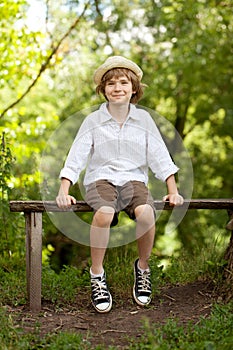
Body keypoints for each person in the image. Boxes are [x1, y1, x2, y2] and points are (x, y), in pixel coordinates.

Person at [56, 56, 184, 313]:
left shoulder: (145, 121)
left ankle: (143, 268)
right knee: (103, 214)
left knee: (147, 213)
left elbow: (159, 155)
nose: (117, 88)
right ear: (103, 90)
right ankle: (97, 275)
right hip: (100, 179)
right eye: (111, 83)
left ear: (134, 88)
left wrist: (173, 191)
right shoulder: (92, 121)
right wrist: (63, 190)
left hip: (134, 180)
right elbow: (77, 155)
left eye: (123, 82)